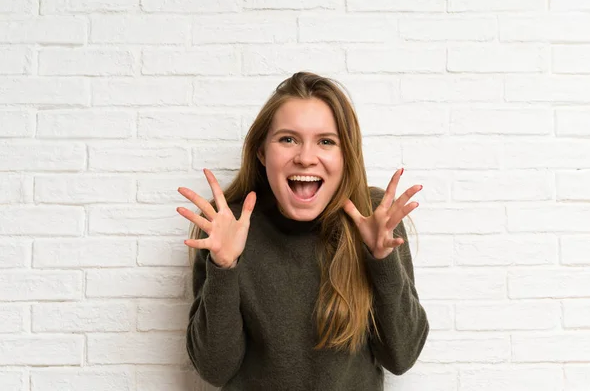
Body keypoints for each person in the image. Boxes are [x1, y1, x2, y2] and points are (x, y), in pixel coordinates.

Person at [176, 72, 429, 390]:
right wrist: (224, 267)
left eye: (326, 141)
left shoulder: (374, 219)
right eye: (287, 139)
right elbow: (214, 368)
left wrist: (382, 260)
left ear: (345, 155)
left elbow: (401, 357)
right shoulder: (226, 224)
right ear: (261, 152)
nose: (306, 158)